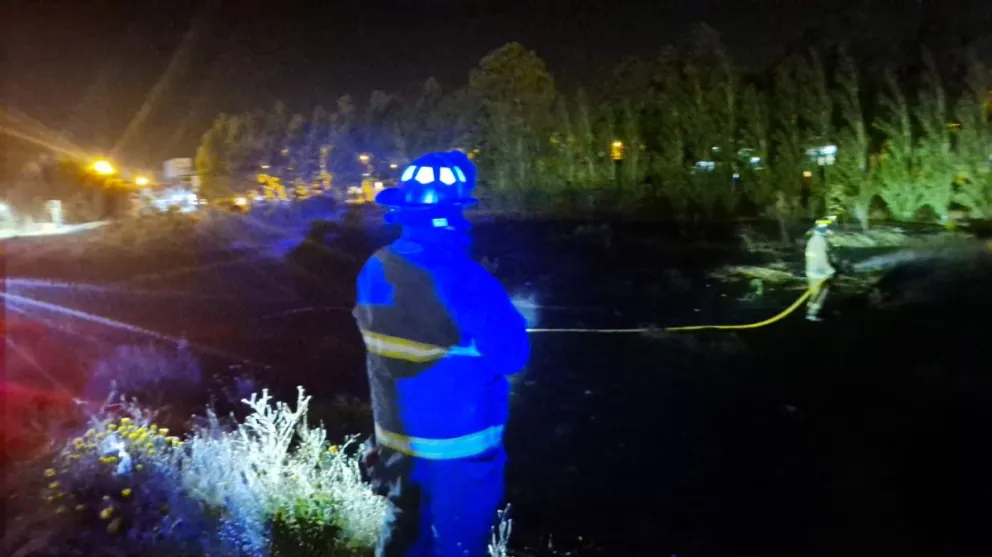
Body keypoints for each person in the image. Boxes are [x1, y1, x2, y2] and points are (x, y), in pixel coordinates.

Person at [353, 150, 531, 557]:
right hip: (460, 450)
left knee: (402, 537)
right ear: (457, 211)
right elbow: (513, 357)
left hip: (396, 441)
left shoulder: (374, 267)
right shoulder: (471, 280)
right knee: (458, 545)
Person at [805, 215, 837, 321]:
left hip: (817, 272)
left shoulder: (817, 239)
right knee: (818, 295)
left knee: (821, 293)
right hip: (818, 274)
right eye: (831, 229)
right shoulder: (820, 241)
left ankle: (811, 311)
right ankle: (811, 314)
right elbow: (821, 258)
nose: (832, 232)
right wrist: (829, 270)